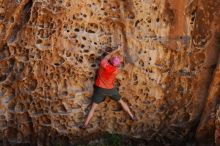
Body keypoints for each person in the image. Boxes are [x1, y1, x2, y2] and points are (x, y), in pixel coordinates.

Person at [80, 48, 135, 129]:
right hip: (110, 90)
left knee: (93, 108)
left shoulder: (103, 64)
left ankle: (85, 125)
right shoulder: (116, 70)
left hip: (100, 89)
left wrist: (116, 50)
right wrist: (119, 57)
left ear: (110, 61)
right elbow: (118, 63)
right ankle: (132, 116)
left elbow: (107, 56)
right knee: (121, 102)